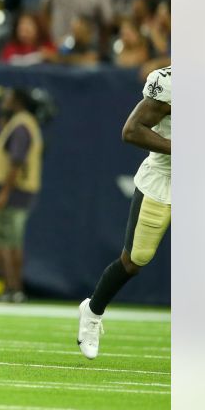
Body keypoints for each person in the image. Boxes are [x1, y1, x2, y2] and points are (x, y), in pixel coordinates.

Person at [78, 66, 171, 359]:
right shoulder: (170, 83)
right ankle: (92, 313)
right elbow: (131, 130)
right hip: (164, 179)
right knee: (135, 260)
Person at [0, 88, 46, 303]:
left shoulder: (21, 125)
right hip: (20, 190)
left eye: (9, 98)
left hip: (13, 191)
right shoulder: (24, 123)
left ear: (18, 102)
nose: (4, 101)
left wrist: (4, 193)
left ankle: (13, 289)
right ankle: (13, 289)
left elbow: (16, 161)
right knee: (12, 241)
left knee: (4, 240)